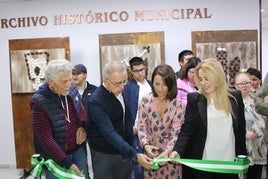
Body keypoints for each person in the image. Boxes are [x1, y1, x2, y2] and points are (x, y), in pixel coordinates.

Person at [170, 59, 247, 179]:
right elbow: (187, 128)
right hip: (203, 164)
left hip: (229, 164)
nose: (203, 83)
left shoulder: (235, 98)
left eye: (207, 78)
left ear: (217, 77)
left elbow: (241, 131)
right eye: (200, 79)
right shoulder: (195, 99)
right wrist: (177, 150)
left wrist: (242, 159)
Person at [87, 61, 152, 179]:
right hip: (104, 154)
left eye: (124, 82)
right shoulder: (96, 100)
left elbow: (126, 117)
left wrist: (130, 130)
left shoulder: (122, 90)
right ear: (106, 81)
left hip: (124, 151)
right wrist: (135, 155)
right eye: (118, 83)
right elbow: (109, 132)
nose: (122, 87)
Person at [30, 59, 89, 179]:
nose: (69, 85)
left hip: (78, 150)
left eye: (70, 79)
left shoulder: (72, 88)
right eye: (64, 82)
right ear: (50, 81)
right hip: (55, 158)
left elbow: (81, 112)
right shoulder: (39, 102)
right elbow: (46, 139)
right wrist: (68, 163)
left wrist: (83, 128)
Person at [137, 64, 184, 179]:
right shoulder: (145, 100)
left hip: (171, 155)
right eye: (157, 84)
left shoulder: (177, 104)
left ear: (171, 84)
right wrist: (146, 145)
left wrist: (168, 152)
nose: (160, 88)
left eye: (164, 84)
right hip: (151, 154)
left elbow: (176, 133)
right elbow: (141, 127)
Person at [234, 72, 267, 179]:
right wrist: (244, 133)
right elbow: (231, 122)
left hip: (260, 146)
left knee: (257, 174)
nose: (244, 86)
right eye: (241, 84)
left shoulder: (256, 98)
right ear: (235, 85)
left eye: (247, 83)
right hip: (244, 146)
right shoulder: (233, 101)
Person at [124, 56, 152, 179]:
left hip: (152, 130)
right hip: (136, 131)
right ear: (131, 71)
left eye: (142, 69)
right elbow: (124, 109)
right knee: (139, 162)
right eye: (136, 71)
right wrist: (130, 127)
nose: (140, 73)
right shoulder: (127, 87)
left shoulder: (151, 85)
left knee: (153, 159)